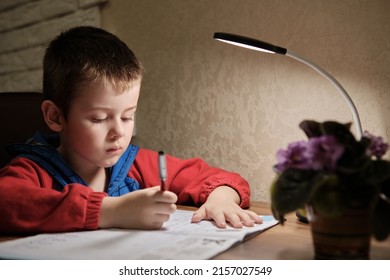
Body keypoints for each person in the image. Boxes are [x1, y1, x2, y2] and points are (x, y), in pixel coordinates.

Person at [0, 26, 261, 234]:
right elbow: (6, 201)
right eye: (100, 118)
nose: (119, 132)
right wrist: (110, 210)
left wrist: (221, 199)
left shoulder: (133, 163)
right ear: (55, 116)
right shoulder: (34, 170)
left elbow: (215, 177)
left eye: (127, 116)